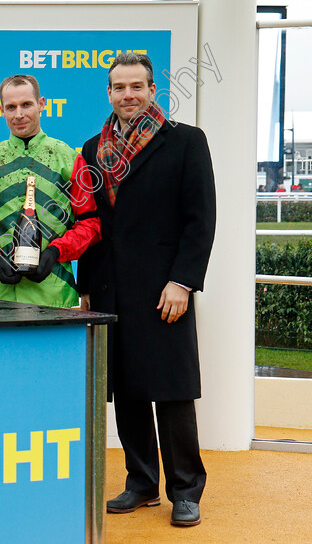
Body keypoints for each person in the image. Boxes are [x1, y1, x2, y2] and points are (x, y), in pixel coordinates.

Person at [78, 53, 216, 527]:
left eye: (137, 86)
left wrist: (183, 281)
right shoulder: (93, 148)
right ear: (110, 93)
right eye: (119, 87)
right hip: (111, 287)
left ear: (153, 90)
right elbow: (90, 224)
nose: (128, 95)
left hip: (165, 289)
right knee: (129, 388)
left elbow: (201, 221)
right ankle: (141, 483)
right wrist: (87, 288)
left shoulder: (186, 142)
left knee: (173, 391)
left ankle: (185, 490)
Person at [0, 75, 100, 306]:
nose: (19, 115)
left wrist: (55, 252)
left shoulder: (68, 158)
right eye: (11, 107)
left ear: (42, 104)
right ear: (1, 110)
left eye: (26, 104)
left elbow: (90, 223)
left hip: (55, 294)